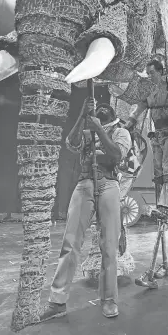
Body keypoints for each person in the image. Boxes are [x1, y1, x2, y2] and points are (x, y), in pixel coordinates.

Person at [41, 97, 132, 321]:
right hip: (84, 184)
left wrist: (99, 129)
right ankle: (58, 300)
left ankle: (109, 299)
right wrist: (82, 115)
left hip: (109, 184)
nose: (101, 109)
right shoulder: (86, 130)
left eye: (105, 109)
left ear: (113, 116)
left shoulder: (121, 132)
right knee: (70, 243)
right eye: (97, 109)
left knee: (109, 244)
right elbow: (71, 144)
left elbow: (117, 156)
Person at [126, 59, 168, 211]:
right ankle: (159, 205)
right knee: (158, 170)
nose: (150, 76)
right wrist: (130, 121)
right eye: (148, 73)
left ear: (161, 72)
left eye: (152, 73)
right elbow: (142, 106)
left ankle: (164, 207)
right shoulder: (152, 90)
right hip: (156, 134)